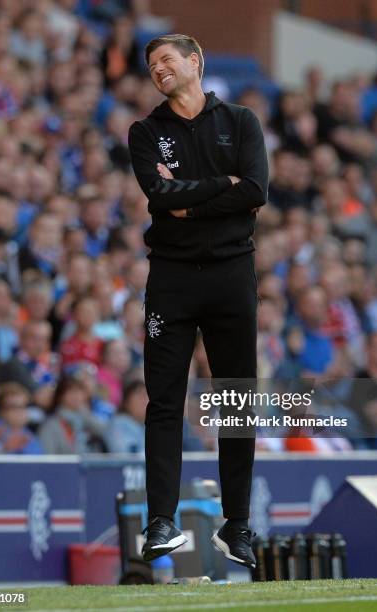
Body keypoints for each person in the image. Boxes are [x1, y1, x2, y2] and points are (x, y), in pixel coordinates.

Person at [128, 34, 268, 568]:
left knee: (235, 400)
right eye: (151, 65)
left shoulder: (240, 121)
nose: (159, 69)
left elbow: (255, 189)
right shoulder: (145, 132)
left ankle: (236, 526)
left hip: (233, 274)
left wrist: (188, 198)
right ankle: (161, 521)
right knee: (164, 400)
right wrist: (218, 189)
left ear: (196, 61)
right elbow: (158, 198)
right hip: (172, 278)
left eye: (167, 60)